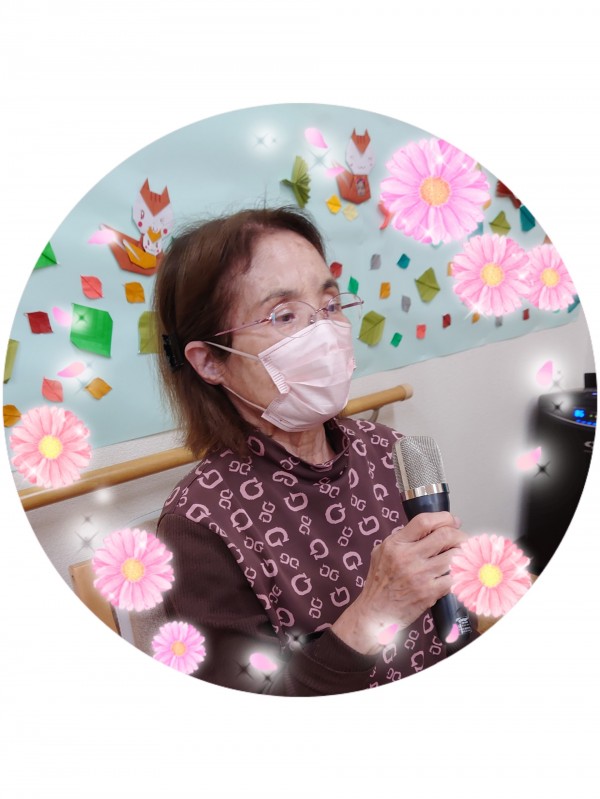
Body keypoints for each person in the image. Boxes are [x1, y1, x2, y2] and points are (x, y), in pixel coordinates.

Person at [153, 206, 472, 696]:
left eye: (330, 304)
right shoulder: (197, 526)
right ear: (210, 362)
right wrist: (373, 612)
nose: (324, 333)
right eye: (284, 315)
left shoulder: (390, 450)